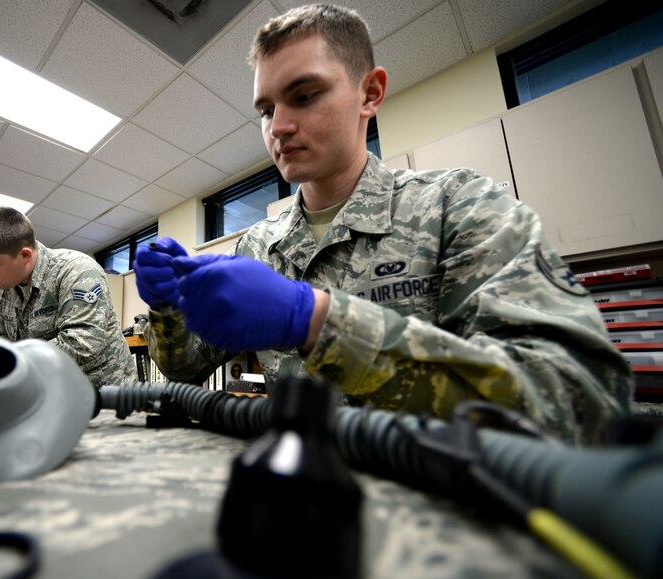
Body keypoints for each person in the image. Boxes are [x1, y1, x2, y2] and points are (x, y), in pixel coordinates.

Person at [133, 3, 631, 443]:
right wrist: (168, 307)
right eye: (266, 110)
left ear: (370, 94)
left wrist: (315, 322)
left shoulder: (458, 207)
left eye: (304, 96)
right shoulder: (259, 247)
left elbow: (578, 404)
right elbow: (182, 367)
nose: (278, 127)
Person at [0, 206, 136, 390]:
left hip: (107, 396)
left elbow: (82, 344)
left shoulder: (76, 270)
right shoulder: (3, 294)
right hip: (54, 394)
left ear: (25, 255)